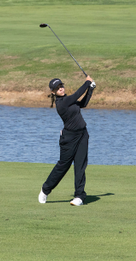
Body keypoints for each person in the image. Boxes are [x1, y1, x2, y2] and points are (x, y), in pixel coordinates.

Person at [38, 76, 96, 206]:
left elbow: (83, 103)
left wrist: (90, 89)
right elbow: (77, 94)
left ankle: (79, 196)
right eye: (57, 88)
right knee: (63, 166)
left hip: (82, 135)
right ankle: (45, 190)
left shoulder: (68, 100)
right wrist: (87, 82)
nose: (60, 89)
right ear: (53, 92)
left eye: (61, 86)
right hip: (69, 138)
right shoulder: (62, 103)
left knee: (80, 165)